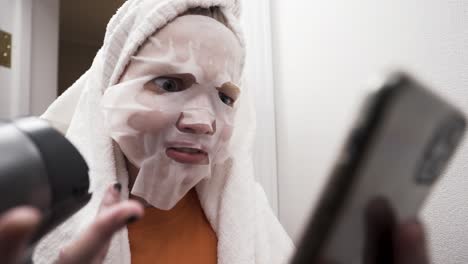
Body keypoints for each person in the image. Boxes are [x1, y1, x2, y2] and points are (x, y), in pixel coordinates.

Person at [19, 0, 429, 263]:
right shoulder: (29, 217)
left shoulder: (249, 214)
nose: (203, 121)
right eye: (169, 83)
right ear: (107, 91)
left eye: (225, 96)